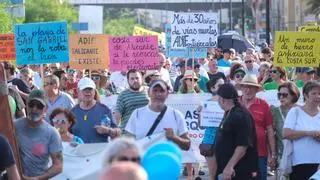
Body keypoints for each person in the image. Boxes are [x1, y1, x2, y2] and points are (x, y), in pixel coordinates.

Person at [125, 79, 191, 151]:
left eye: (162, 91)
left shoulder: (176, 115)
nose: (158, 94)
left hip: (168, 161)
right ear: (149, 93)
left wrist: (174, 137)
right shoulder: (137, 114)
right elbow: (128, 143)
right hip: (144, 161)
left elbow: (187, 145)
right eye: (155, 90)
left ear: (167, 94)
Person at [14, 89, 63, 178]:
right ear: (26, 105)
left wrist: (38, 178)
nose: (34, 109)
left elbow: (58, 166)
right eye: (31, 104)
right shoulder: (14, 126)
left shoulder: (52, 133)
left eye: (39, 106)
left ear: (46, 109)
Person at [215, 83, 259, 180]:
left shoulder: (240, 115)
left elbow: (243, 145)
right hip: (227, 170)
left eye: (218, 98)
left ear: (222, 99)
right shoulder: (229, 113)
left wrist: (230, 166)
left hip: (239, 171)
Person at [239, 74, 276, 180]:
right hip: (237, 153)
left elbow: (269, 130)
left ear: (256, 89)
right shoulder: (235, 103)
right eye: (245, 87)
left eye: (251, 87)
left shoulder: (263, 104)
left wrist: (272, 154)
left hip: (260, 153)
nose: (248, 90)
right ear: (241, 88)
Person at [283, 81, 320, 180]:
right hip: (299, 163)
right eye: (314, 93)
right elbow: (286, 133)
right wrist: (308, 133)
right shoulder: (295, 111)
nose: (318, 96)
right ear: (305, 95)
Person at [71, 77, 120, 143]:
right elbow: (66, 135)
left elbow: (118, 133)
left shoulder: (104, 110)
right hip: (77, 152)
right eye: (84, 90)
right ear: (78, 91)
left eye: (90, 89)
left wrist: (108, 130)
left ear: (94, 91)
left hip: (99, 152)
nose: (87, 93)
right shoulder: (72, 112)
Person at [197, 77, 225, 180]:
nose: (223, 87)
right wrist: (200, 114)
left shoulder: (229, 102)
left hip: (225, 141)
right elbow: (201, 126)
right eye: (220, 85)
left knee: (226, 172)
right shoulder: (206, 104)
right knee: (213, 173)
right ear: (212, 88)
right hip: (210, 142)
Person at [270, 82, 300, 166]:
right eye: (279, 95)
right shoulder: (274, 111)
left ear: (294, 95)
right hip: (282, 157)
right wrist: (272, 156)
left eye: (285, 95)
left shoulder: (302, 110)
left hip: (301, 156)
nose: (281, 97)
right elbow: (270, 135)